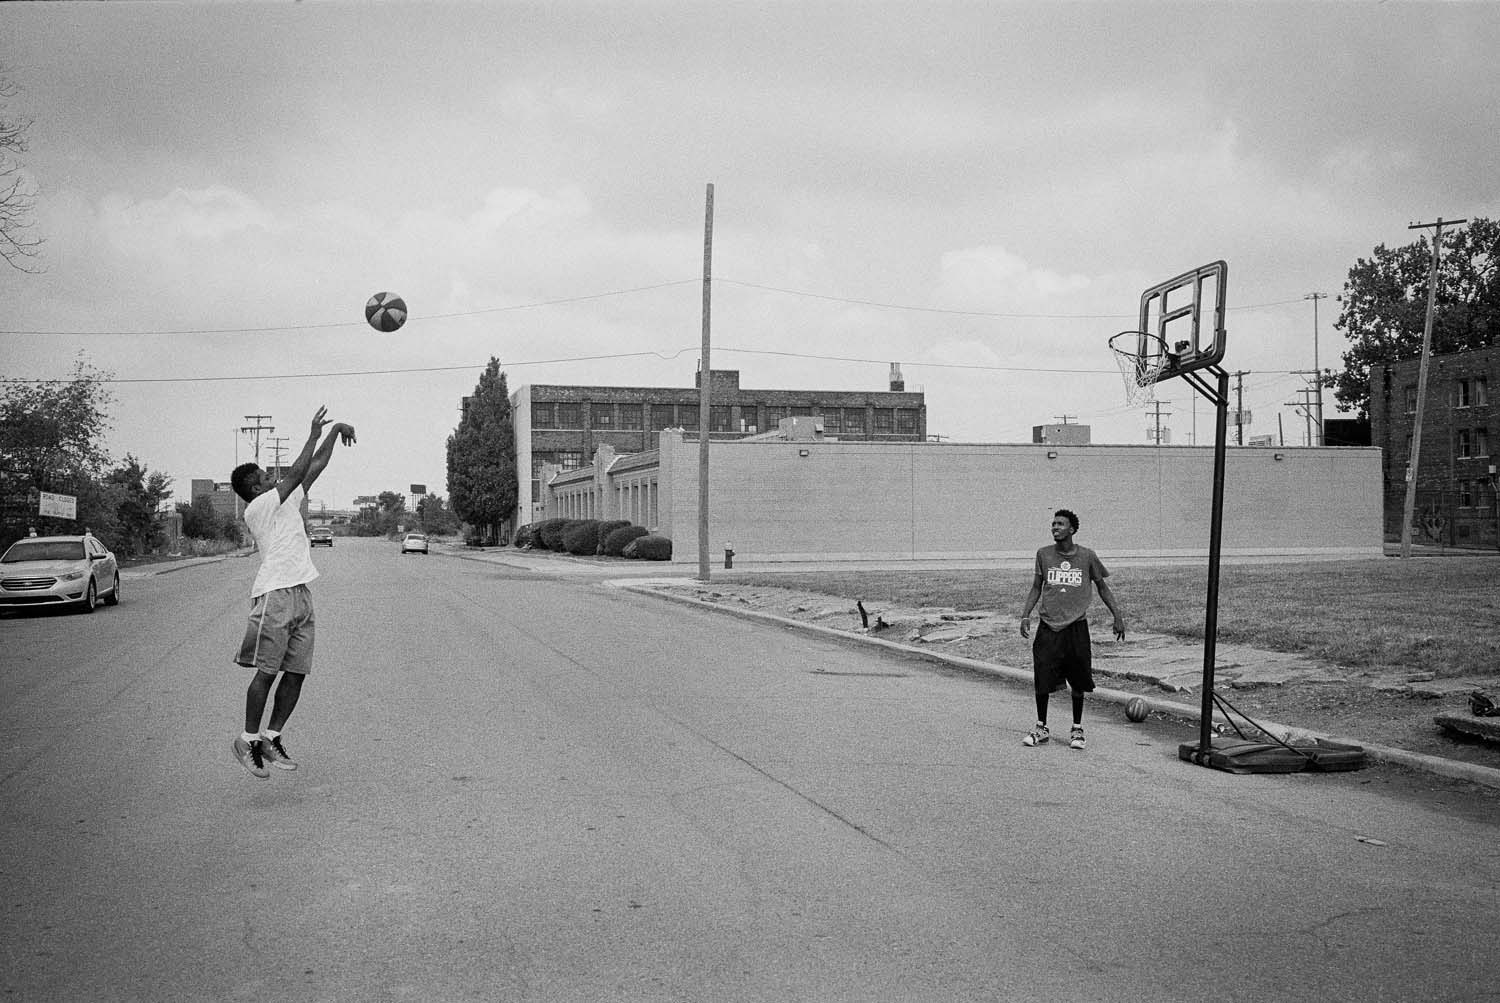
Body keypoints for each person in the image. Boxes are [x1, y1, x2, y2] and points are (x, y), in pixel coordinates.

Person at [227, 406, 356, 779]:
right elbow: (299, 470)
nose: (274, 479)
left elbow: (313, 467)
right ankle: (247, 739)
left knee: (297, 672)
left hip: (301, 593)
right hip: (275, 594)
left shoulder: (285, 500)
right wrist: (313, 431)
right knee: (267, 672)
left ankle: (271, 735)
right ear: (256, 488)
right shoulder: (259, 508)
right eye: (268, 477)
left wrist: (332, 435)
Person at [1017, 508, 1125, 750]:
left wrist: (1117, 615)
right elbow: (1036, 587)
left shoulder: (1087, 557)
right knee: (1042, 676)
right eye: (1053, 524)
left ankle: (1077, 729)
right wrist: (1025, 614)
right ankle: (1041, 727)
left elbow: (1102, 587)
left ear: (1072, 529)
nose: (1054, 527)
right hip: (1048, 626)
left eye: (1060, 524)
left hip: (1076, 627)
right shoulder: (1043, 554)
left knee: (1078, 680)